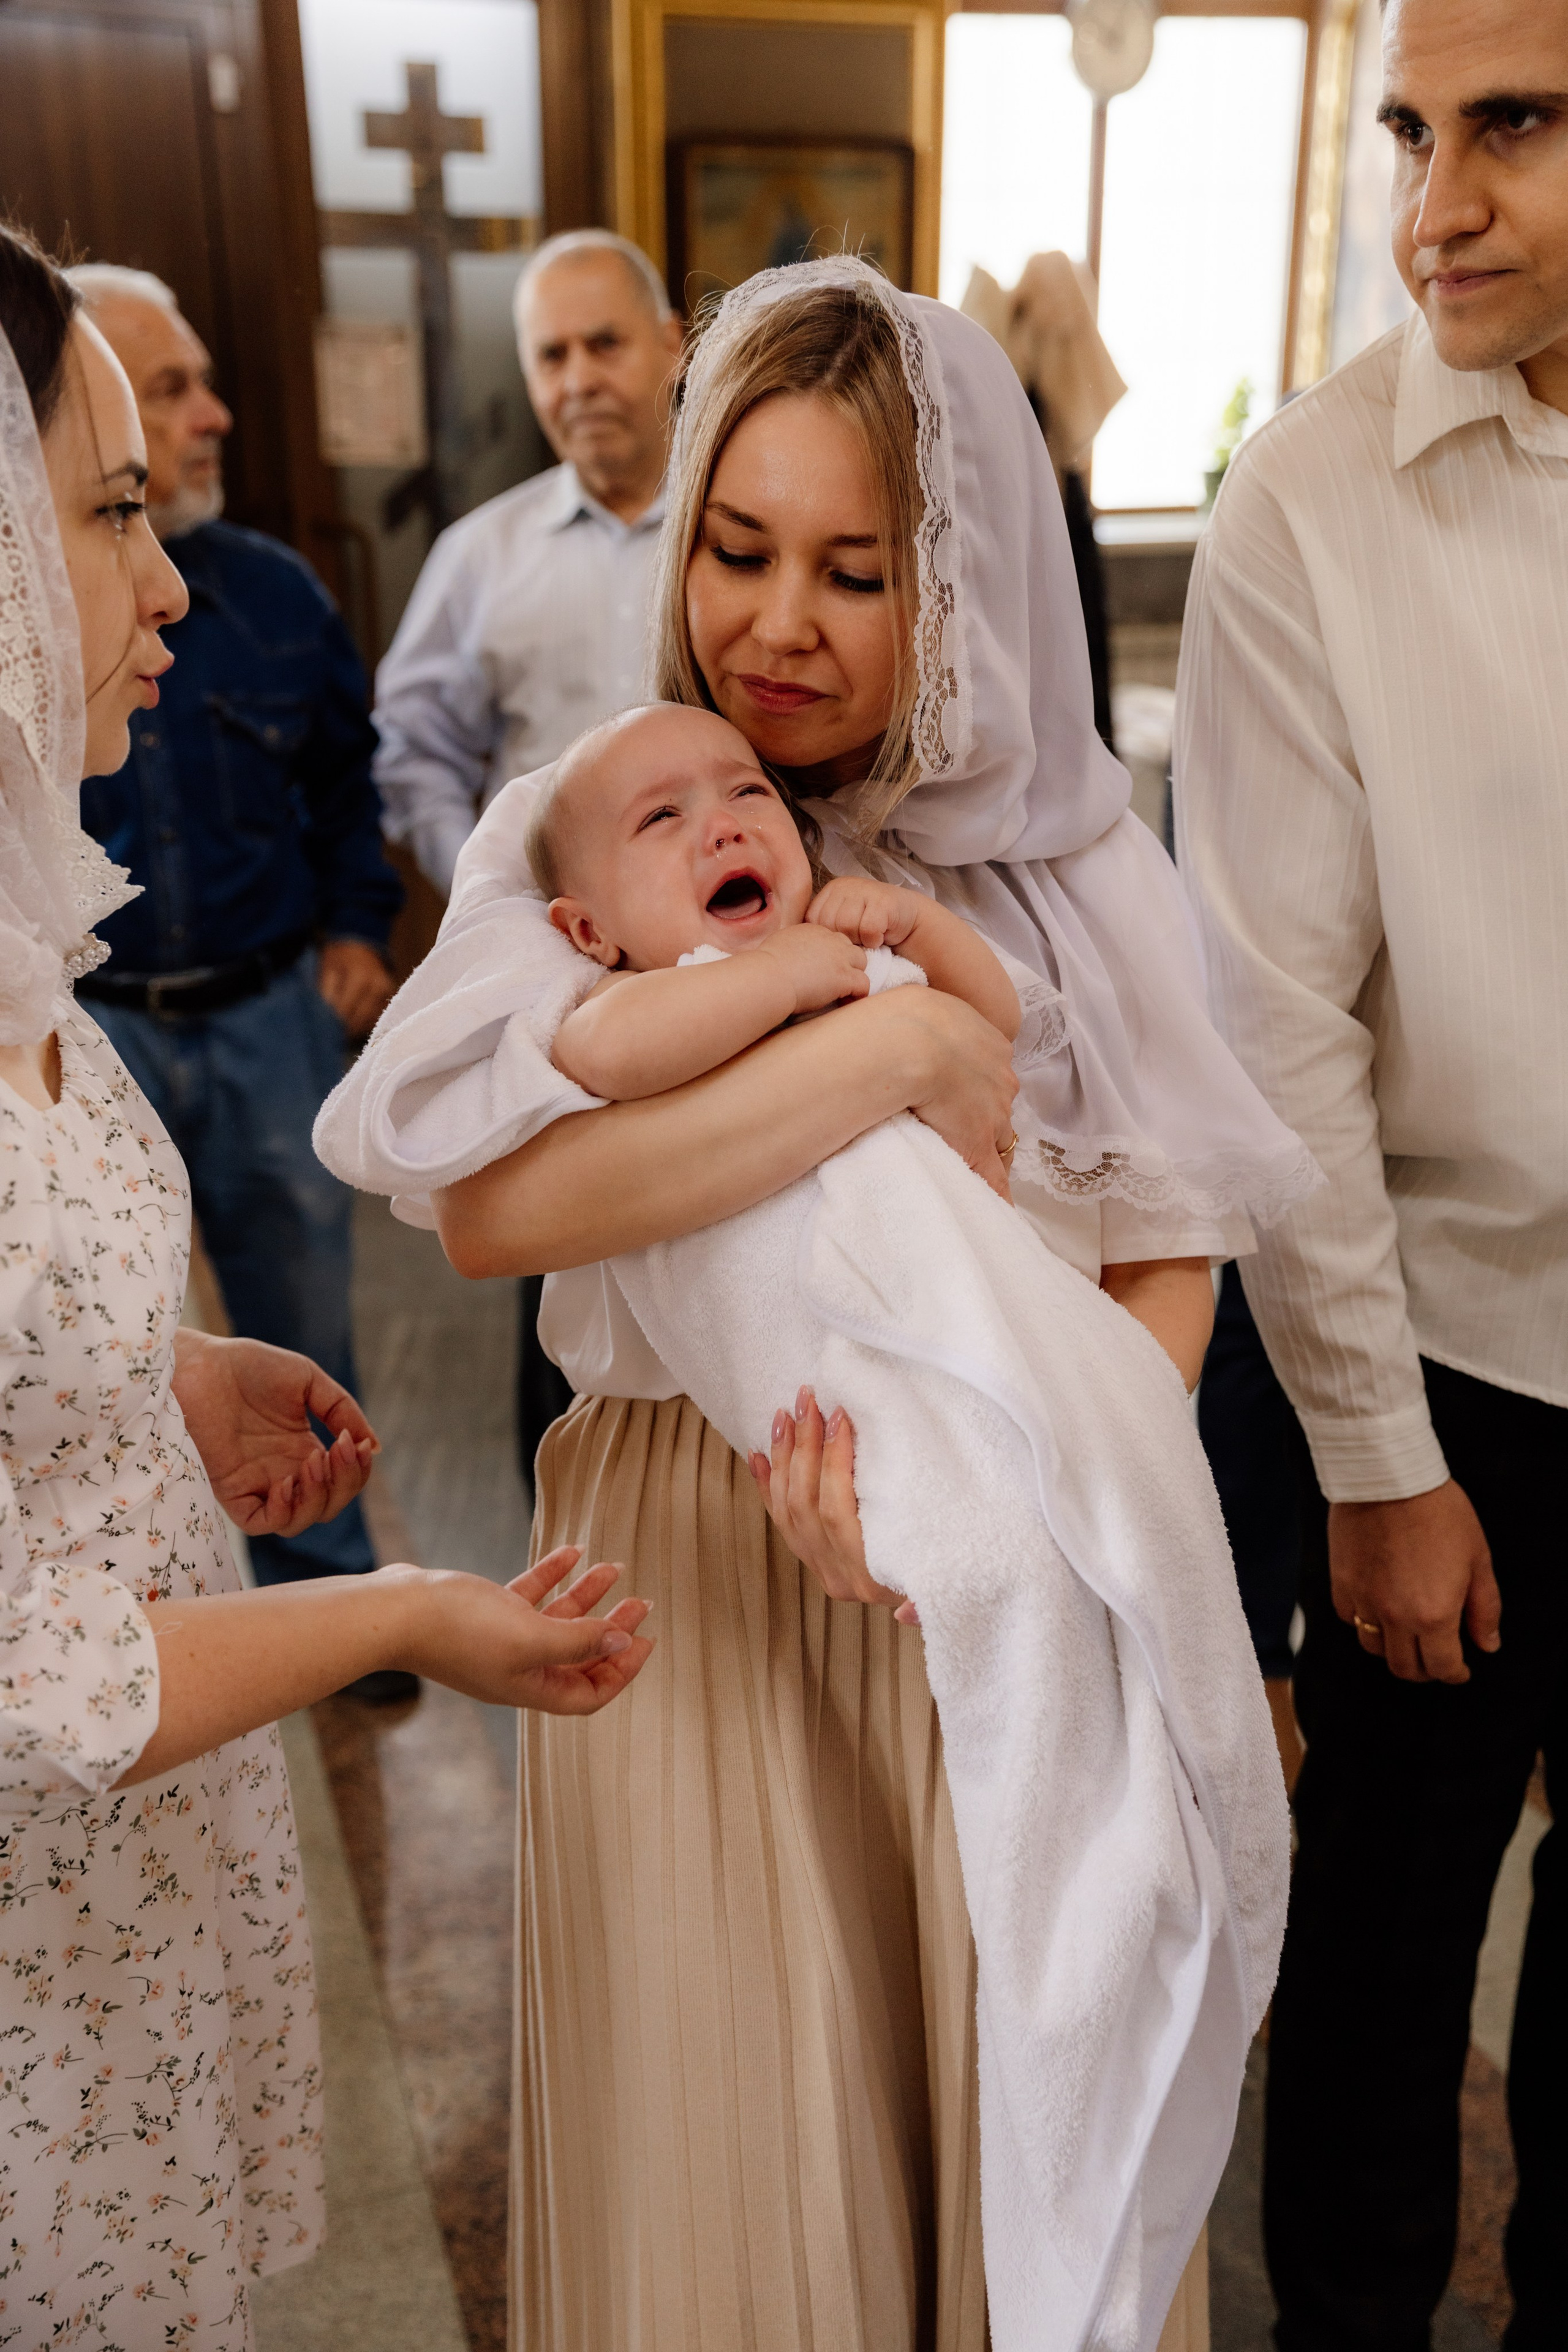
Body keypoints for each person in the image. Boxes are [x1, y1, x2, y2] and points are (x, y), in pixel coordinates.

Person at [320, 257, 1314, 2351]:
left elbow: (1170, 1262)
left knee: (989, 2129)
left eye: (854, 570)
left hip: (962, 1565)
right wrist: (876, 1056)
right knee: (752, 2181)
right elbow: (500, 1206)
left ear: (956, 571)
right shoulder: (595, 819)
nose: (778, 624)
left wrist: (999, 1502)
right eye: (737, 549)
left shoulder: (1077, 877)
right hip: (694, 1554)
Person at [0, 225, 654, 2343]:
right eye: (109, 513)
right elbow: (41, 1673)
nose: (171, 577)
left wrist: (165, 1376)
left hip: (129, 1904)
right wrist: (403, 1606)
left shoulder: (27, 934)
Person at [1173, 0, 1568, 2341]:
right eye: (1416, 129)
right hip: (1455, 1357)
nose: (1434, 204)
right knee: (1392, 1941)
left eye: (1513, 125)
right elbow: (1274, 1030)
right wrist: (1378, 1454)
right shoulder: (1311, 497)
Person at [62, 262, 402, 1605]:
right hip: (93, 1028)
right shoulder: (30, 618)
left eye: (205, 383)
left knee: (298, 1320)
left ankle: (326, 1591)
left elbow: (343, 781)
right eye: (172, 390)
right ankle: (162, 1611)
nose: (213, 415)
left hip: (268, 1015)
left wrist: (357, 929)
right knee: (108, 1346)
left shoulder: (271, 595)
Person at [372, 227, 685, 1476]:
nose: (575, 379)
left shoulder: (734, 536)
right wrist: (493, 898)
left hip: (731, 975)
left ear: (670, 347)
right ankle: (563, 1546)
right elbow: (413, 745)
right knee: (551, 1289)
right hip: (547, 996)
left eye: (603, 343)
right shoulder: (478, 557)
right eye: (548, 354)